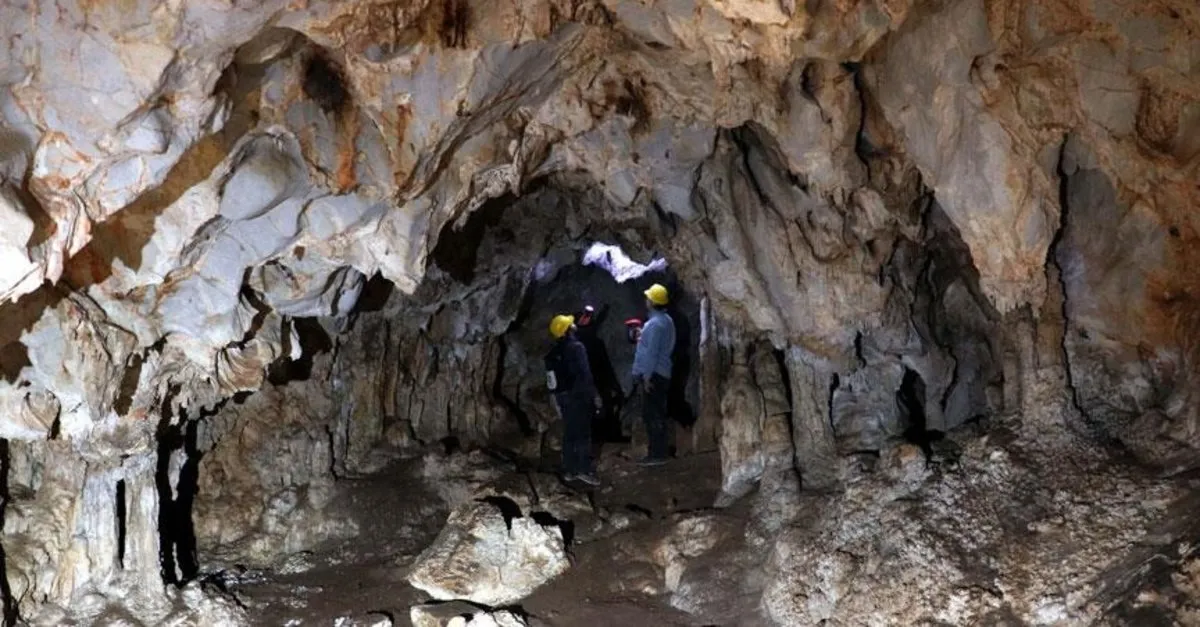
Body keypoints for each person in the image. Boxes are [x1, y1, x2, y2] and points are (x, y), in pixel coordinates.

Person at [545, 314, 602, 486]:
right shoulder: (577, 347)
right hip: (579, 395)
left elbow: (551, 381)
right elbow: (585, 374)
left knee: (569, 432)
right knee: (583, 433)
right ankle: (583, 469)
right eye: (571, 325)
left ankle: (569, 469)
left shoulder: (552, 353)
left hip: (563, 397)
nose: (574, 325)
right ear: (568, 330)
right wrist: (595, 395)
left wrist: (555, 401)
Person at [630, 283, 676, 466]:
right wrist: (644, 335)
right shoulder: (665, 321)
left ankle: (657, 454)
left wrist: (647, 377)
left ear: (652, 301)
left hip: (655, 374)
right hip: (661, 372)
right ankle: (658, 451)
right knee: (656, 412)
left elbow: (653, 353)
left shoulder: (656, 324)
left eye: (648, 298)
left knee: (653, 415)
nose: (645, 300)